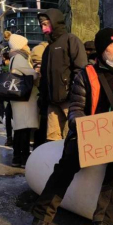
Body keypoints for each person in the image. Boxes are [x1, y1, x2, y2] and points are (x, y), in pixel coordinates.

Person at [30, 28, 113, 225]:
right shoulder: (85, 75)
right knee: (65, 166)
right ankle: (41, 218)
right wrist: (83, 127)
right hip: (87, 133)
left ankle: (103, 224)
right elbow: (76, 109)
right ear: (101, 50)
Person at [37, 8, 87, 142]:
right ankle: (55, 162)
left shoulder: (71, 40)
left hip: (69, 99)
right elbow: (44, 76)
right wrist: (42, 97)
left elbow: (80, 69)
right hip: (52, 101)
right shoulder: (48, 49)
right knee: (52, 137)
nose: (43, 28)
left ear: (55, 22)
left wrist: (74, 92)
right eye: (41, 25)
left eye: (46, 24)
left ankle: (75, 162)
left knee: (76, 134)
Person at [4, 31, 39, 168]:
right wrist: (37, 72)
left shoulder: (14, 57)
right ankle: (23, 157)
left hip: (20, 99)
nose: (28, 47)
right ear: (20, 46)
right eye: (26, 44)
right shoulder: (19, 58)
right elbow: (31, 75)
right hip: (24, 99)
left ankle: (17, 157)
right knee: (23, 129)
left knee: (20, 129)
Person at [31, 42, 48, 149]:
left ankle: (37, 147)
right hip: (46, 95)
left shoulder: (35, 52)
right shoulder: (46, 55)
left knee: (40, 124)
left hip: (39, 96)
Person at [0, 52, 13, 146]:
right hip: (6, 96)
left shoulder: (13, 67)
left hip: (14, 95)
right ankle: (9, 137)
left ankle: (13, 137)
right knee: (8, 117)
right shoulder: (3, 70)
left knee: (13, 118)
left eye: (4, 59)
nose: (3, 61)